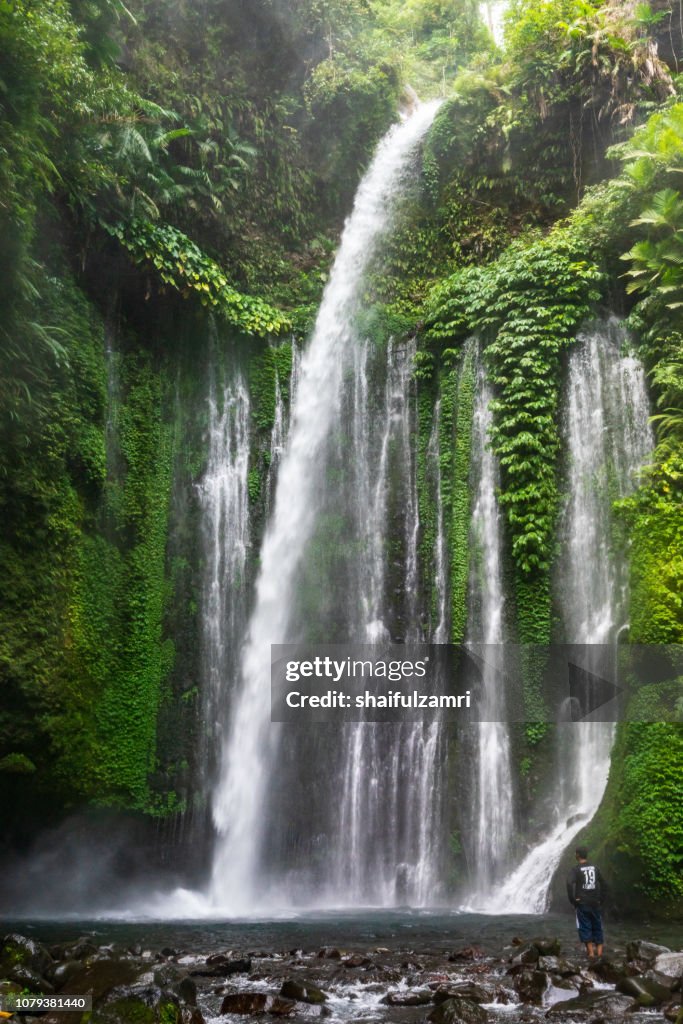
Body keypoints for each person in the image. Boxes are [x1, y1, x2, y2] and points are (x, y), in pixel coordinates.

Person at [566, 845, 607, 958]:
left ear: (578, 855)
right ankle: (599, 954)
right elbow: (604, 884)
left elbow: (569, 883)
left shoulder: (576, 869)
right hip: (595, 902)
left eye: (575, 853)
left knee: (584, 927)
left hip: (582, 903)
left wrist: (573, 900)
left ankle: (591, 954)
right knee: (597, 926)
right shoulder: (595, 867)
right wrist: (601, 900)